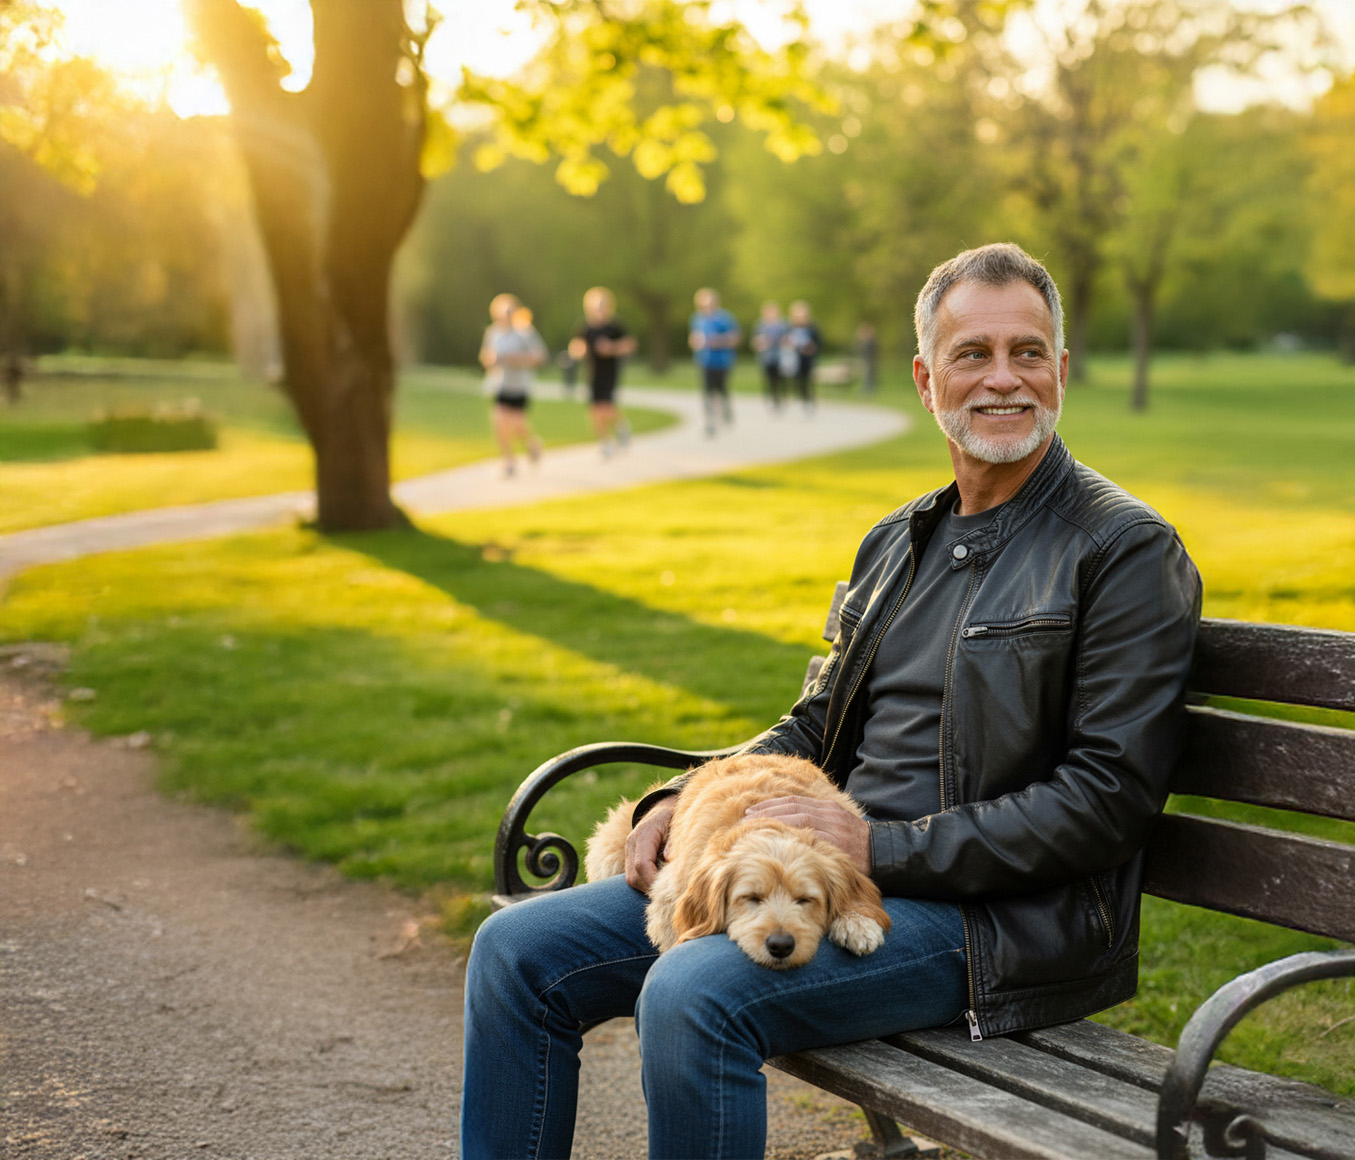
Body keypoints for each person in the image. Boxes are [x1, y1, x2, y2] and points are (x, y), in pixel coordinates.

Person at [461, 242, 1204, 1160]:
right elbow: (814, 727)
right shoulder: (897, 541)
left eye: (1029, 352)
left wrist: (881, 846)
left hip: (995, 925)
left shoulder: (1122, 549)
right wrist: (682, 798)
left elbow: (1108, 800)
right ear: (929, 381)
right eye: (973, 354)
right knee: (516, 955)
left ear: (1060, 369)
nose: (1004, 379)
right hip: (811, 875)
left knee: (693, 992)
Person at [479, 294, 548, 478]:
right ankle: (509, 460)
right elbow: (486, 355)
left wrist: (514, 359)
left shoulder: (525, 332)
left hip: (520, 385)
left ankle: (532, 444)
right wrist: (491, 360)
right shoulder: (493, 332)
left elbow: (540, 356)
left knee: (517, 424)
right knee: (500, 420)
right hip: (501, 384)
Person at [568, 287, 637, 458]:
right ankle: (605, 441)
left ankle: (621, 425)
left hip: (610, 371)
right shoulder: (585, 327)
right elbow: (575, 346)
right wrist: (579, 350)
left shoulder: (614, 326)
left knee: (606, 405)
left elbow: (630, 344)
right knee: (594, 409)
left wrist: (611, 348)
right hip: (592, 372)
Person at [688, 288, 740, 436]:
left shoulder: (724, 317)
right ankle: (710, 421)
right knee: (707, 391)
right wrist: (695, 342)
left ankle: (725, 412)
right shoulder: (697, 318)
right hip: (704, 360)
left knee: (722, 389)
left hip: (722, 360)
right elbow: (693, 338)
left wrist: (720, 340)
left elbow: (736, 337)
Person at [781, 299, 823, 414]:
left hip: (809, 358)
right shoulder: (790, 327)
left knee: (809, 379)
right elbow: (785, 341)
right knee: (798, 379)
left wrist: (811, 348)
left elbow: (818, 342)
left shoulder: (812, 327)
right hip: (794, 358)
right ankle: (801, 400)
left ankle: (810, 401)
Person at [751, 300, 791, 413]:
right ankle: (773, 399)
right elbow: (754, 341)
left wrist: (785, 341)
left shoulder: (783, 324)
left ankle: (782, 398)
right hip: (766, 357)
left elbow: (789, 339)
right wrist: (760, 342)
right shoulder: (760, 325)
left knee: (781, 378)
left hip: (781, 356)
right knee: (769, 379)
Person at [855, 320, 879, 396]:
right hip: (866, 360)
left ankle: (869, 390)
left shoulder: (871, 341)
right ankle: (866, 390)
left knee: (869, 376)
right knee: (866, 376)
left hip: (870, 360)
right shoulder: (866, 342)